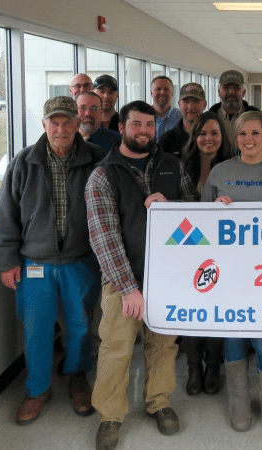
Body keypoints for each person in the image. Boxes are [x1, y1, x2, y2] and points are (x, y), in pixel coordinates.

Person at [86, 100, 198, 450]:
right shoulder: (103, 175)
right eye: (136, 125)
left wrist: (172, 208)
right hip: (122, 281)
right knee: (117, 349)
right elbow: (104, 238)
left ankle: (159, 403)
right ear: (121, 128)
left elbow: (195, 214)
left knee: (163, 346)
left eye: (149, 125)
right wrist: (129, 288)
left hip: (167, 280)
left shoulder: (171, 165)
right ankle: (110, 416)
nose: (144, 132)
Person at [0, 96, 104, 424]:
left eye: (67, 121)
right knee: (36, 328)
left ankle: (77, 377)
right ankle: (38, 388)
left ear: (77, 123)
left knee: (81, 327)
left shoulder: (96, 159)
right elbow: (5, 217)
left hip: (80, 261)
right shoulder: (23, 162)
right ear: (44, 125)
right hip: (35, 262)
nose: (61, 128)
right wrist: (6, 260)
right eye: (53, 122)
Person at [201, 111, 262, 436]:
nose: (248, 139)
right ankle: (238, 401)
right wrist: (214, 210)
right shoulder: (220, 172)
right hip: (228, 275)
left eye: (255, 132)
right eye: (242, 134)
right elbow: (198, 228)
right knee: (234, 338)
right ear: (235, 138)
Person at [179, 111, 228, 395]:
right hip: (189, 250)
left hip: (222, 251)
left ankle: (214, 366)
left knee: (217, 312)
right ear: (194, 136)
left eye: (214, 133)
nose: (208, 139)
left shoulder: (232, 167)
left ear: (223, 137)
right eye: (202, 133)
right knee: (193, 311)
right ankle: (194, 366)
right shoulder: (180, 165)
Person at [209, 69, 260, 153]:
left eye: (236, 88)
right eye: (226, 88)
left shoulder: (257, 117)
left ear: (243, 92)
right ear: (218, 91)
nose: (231, 92)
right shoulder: (208, 119)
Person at [160, 82, 207, 158]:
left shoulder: (212, 138)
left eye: (196, 101)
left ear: (204, 105)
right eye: (186, 102)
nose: (190, 107)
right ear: (179, 104)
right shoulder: (167, 140)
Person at [151, 76, 182, 141]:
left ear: (172, 93)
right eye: (158, 89)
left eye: (166, 89)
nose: (162, 93)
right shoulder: (144, 116)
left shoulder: (182, 117)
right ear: (151, 92)